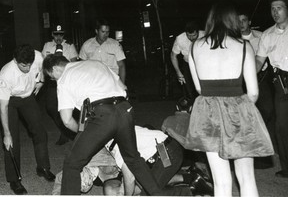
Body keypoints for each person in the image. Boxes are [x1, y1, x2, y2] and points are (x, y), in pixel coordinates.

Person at [42, 54, 193, 195]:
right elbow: (123, 88)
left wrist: (83, 135)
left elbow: (67, 120)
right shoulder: (95, 63)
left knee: (72, 163)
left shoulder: (64, 78)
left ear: (55, 69)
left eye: (52, 77)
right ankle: (157, 194)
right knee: (133, 159)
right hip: (124, 109)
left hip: (102, 115)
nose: (54, 80)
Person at [166, 3, 275, 197]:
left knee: (221, 181)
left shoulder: (194, 48)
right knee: (246, 177)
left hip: (208, 113)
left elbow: (199, 88)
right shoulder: (243, 46)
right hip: (238, 111)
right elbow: (253, 93)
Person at [52, 125, 213, 196]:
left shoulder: (116, 145)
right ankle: (191, 176)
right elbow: (62, 178)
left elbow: (129, 175)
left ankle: (192, 188)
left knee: (148, 193)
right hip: (159, 153)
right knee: (144, 183)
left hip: (167, 153)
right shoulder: (110, 136)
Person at [0, 44, 55, 195]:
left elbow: (44, 67)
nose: (27, 68)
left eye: (30, 65)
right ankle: (14, 180)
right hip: (10, 101)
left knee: (40, 131)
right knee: (12, 141)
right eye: (24, 65)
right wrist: (6, 133)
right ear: (15, 60)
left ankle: (43, 167)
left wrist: (41, 81)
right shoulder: (6, 74)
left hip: (28, 97)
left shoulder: (37, 56)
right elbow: (2, 107)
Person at [256, 0, 288, 178]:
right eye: (272, 9)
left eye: (279, 8)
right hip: (280, 83)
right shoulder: (267, 35)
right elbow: (259, 62)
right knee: (281, 126)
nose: (275, 12)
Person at [238, 10, 275, 169]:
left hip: (262, 79)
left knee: (267, 110)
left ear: (249, 22)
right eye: (238, 21)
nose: (241, 24)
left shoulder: (262, 36)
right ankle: (251, 152)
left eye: (244, 20)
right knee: (246, 116)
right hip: (242, 82)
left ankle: (262, 148)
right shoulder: (234, 40)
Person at [40, 24, 78, 145]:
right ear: (52, 35)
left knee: (68, 107)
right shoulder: (47, 46)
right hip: (52, 82)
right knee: (51, 107)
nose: (58, 37)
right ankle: (64, 129)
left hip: (66, 82)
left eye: (60, 34)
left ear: (63, 35)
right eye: (56, 34)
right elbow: (42, 63)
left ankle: (68, 131)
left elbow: (74, 64)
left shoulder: (69, 46)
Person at [79, 19, 126, 85]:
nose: (106, 34)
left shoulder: (115, 45)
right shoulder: (87, 45)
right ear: (96, 31)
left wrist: (122, 85)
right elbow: (82, 66)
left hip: (112, 81)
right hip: (93, 82)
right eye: (103, 32)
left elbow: (121, 66)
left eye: (107, 32)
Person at [170, 21, 204, 103]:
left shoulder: (206, 36)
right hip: (188, 64)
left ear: (198, 32)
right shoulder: (180, 39)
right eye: (189, 35)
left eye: (194, 35)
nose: (191, 38)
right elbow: (173, 56)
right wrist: (178, 72)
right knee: (189, 90)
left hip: (203, 65)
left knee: (203, 90)